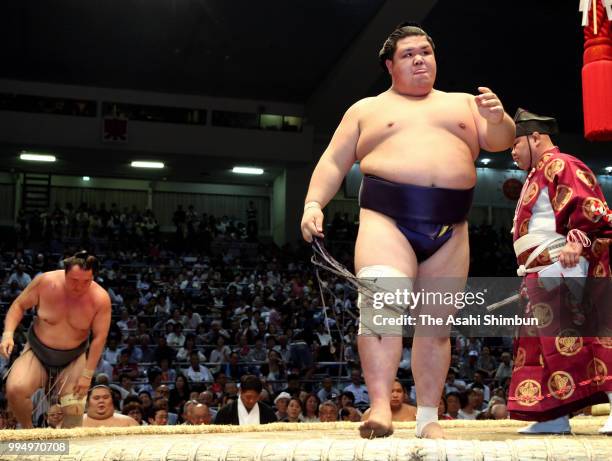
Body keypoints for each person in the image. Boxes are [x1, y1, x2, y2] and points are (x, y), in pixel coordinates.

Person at [300, 23, 514, 438]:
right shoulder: (367, 109)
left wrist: (499, 117)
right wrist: (313, 203)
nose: (420, 59)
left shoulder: (464, 104)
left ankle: (427, 417)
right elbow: (333, 162)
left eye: (426, 52)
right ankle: (380, 405)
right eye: (409, 54)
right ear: (389, 64)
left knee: (435, 327)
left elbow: (499, 141)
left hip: (451, 227)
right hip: (387, 219)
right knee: (383, 305)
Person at [507, 108, 612, 435]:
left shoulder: (561, 164)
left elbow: (592, 209)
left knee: (588, 338)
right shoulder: (536, 174)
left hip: (564, 265)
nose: (512, 151)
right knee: (546, 346)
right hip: (540, 269)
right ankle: (552, 414)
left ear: (534, 137)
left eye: (515, 144)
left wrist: (577, 242)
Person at [0, 251, 112, 428]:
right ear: (65, 272)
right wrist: (8, 333)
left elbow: (100, 337)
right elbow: (19, 305)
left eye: (86, 281)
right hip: (38, 351)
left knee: (74, 407)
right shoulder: (45, 282)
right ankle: (29, 433)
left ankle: (66, 449)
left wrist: (87, 374)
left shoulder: (100, 299)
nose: (79, 286)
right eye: (74, 280)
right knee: (15, 390)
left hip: (73, 357)